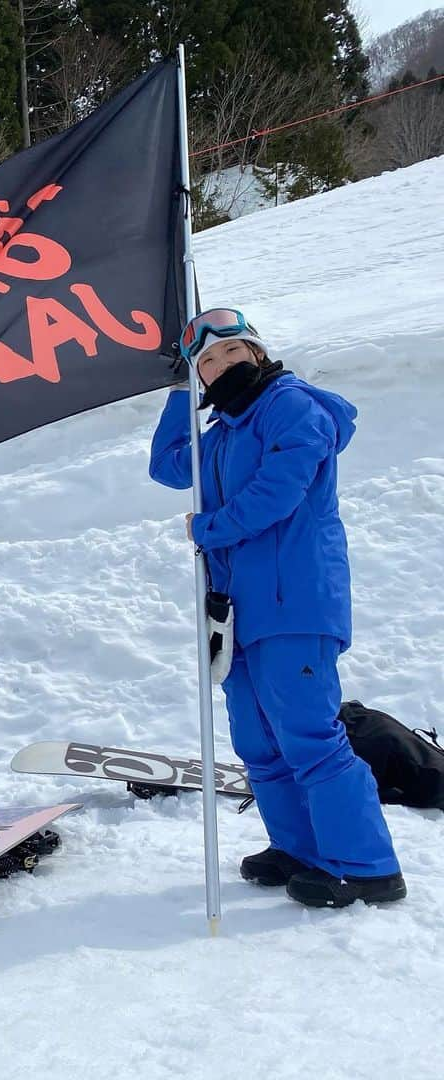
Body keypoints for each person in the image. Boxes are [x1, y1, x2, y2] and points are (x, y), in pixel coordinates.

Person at [149, 308, 405, 908]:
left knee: (310, 736)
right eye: (206, 362)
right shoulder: (223, 435)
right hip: (237, 614)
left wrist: (208, 528)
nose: (221, 365)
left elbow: (279, 491)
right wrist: (177, 393)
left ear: (257, 355)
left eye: (232, 352)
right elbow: (167, 465)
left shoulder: (293, 405)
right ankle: (301, 850)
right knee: (258, 742)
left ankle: (368, 867)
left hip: (295, 604)